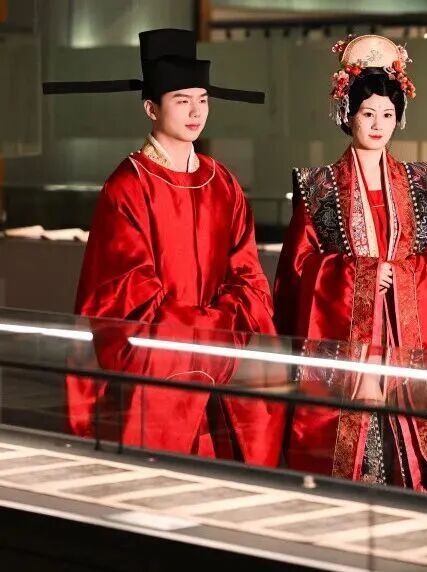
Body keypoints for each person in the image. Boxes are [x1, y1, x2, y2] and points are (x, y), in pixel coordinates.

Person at [45, 28, 284, 466]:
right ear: (151, 108)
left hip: (223, 363)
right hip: (160, 369)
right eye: (181, 100)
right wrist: (207, 331)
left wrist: (218, 330)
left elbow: (248, 275)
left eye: (203, 100)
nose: (196, 112)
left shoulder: (224, 183)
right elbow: (125, 294)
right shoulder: (128, 185)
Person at [274, 35, 427, 491]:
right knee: (351, 470)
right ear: (348, 115)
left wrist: (403, 275)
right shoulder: (320, 188)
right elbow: (297, 270)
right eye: (367, 114)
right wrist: (357, 278)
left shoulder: (421, 186)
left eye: (387, 114)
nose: (378, 124)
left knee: (406, 466)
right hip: (348, 349)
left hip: (407, 339)